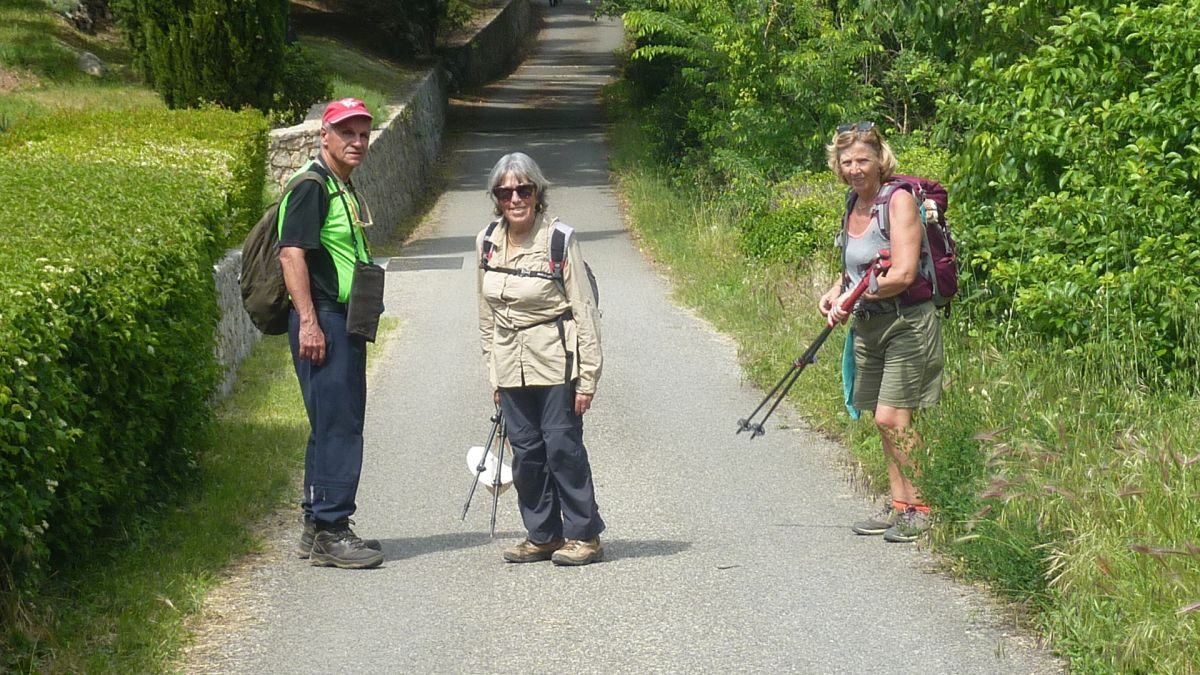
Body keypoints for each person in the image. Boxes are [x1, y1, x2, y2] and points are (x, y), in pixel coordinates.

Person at [475, 152, 605, 566]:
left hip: (555, 360)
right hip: (509, 363)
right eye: (506, 192)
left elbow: (584, 309)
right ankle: (543, 535)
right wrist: (492, 371)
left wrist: (587, 378)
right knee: (527, 452)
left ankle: (584, 535)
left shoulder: (559, 240)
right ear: (496, 198)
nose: (515, 199)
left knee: (563, 446)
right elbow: (485, 313)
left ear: (537, 193)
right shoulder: (486, 242)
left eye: (523, 190)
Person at [818, 122, 944, 544]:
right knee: (880, 418)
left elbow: (904, 273)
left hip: (906, 321)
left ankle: (921, 507)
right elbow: (857, 269)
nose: (855, 169)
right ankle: (898, 504)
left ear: (879, 159)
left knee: (894, 416)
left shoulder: (899, 201)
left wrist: (851, 299)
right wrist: (835, 292)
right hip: (869, 324)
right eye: (847, 161)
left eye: (862, 160)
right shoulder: (853, 202)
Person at [278, 98, 384, 569]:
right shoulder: (311, 187)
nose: (357, 142)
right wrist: (309, 323)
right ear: (325, 135)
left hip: (341, 318)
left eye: (363, 134)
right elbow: (291, 255)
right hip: (322, 318)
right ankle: (333, 530)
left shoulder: (338, 184)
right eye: (347, 133)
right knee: (340, 424)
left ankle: (315, 525)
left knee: (329, 422)